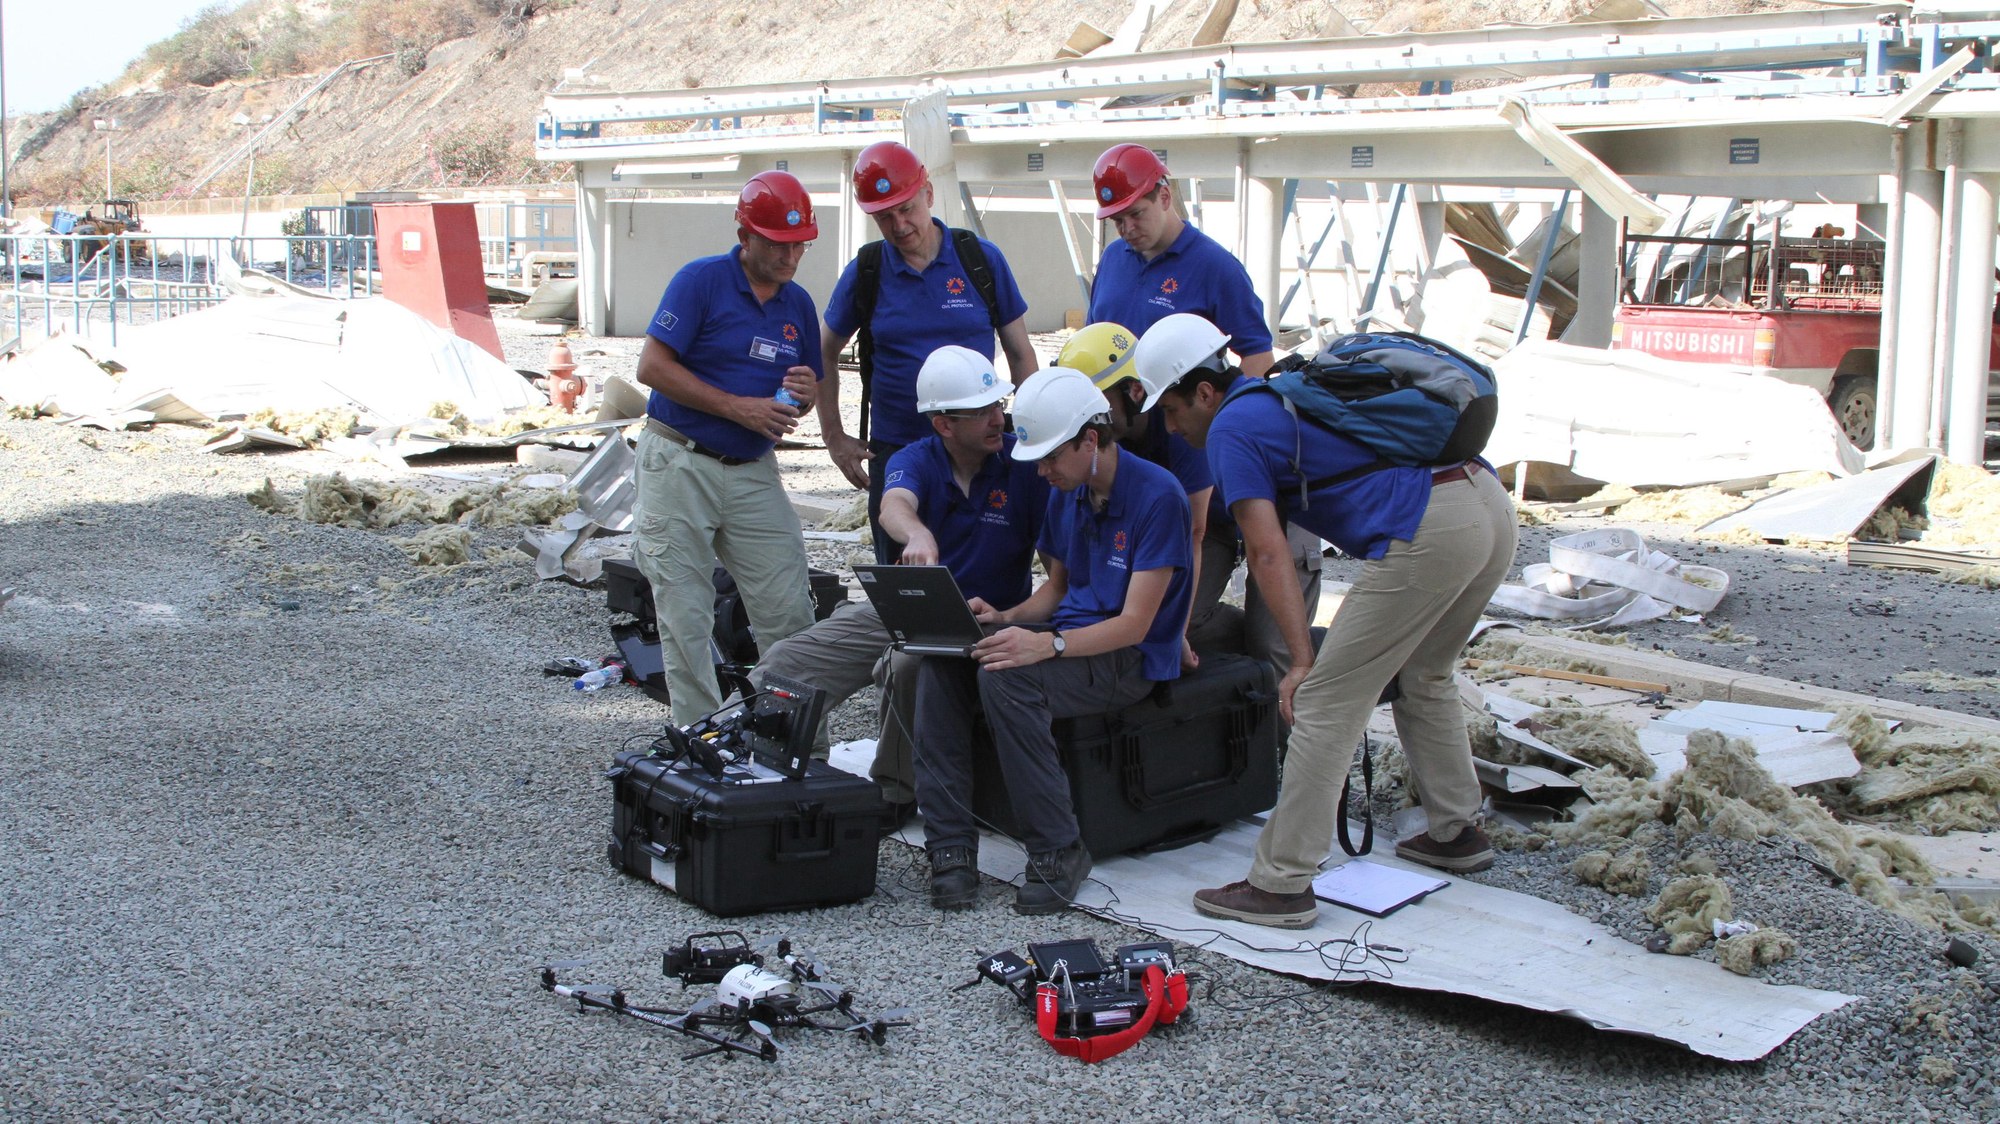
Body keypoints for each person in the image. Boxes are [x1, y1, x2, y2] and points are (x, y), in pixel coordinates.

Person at [1137, 314, 1517, 930]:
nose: (1173, 429)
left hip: (1433, 527)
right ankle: (1455, 830)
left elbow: (1267, 552)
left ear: (1204, 391)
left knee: (1325, 702)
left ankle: (1281, 883)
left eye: (1173, 411)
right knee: (1426, 674)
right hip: (1488, 505)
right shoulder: (1279, 393)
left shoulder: (1234, 425)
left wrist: (1301, 661)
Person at [914, 367, 1193, 915]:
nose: (1040, 472)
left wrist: (1048, 647)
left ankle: (1058, 849)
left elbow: (1135, 625)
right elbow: (1059, 590)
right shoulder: (1070, 489)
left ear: (1091, 439)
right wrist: (1005, 617)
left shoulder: (1158, 496)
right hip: (1074, 639)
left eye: (1048, 459)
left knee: (1010, 682)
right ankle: (950, 845)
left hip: (1128, 657)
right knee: (946, 661)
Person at [751, 345, 1050, 813]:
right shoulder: (916, 458)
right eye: (981, 410)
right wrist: (916, 535)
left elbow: (1061, 574)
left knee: (904, 665)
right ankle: (751, 769)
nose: (997, 419)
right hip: (912, 608)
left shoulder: (1026, 467)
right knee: (786, 661)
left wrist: (1024, 621)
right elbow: (895, 504)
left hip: (986, 620)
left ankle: (894, 794)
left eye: (998, 405)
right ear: (943, 424)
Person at [631, 170, 824, 727]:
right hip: (679, 460)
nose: (790, 257)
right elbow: (652, 367)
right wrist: (737, 407)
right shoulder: (701, 282)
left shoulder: (798, 306)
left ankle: (795, 743)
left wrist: (805, 397)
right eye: (778, 245)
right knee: (684, 611)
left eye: (799, 245)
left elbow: (802, 388)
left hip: (751, 468)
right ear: (745, 236)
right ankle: (700, 736)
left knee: (788, 607)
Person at [817, 141, 1039, 563]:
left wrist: (1028, 437)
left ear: (929, 194)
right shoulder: (868, 271)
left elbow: (1021, 354)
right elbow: (822, 351)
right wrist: (834, 437)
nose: (900, 225)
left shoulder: (979, 261)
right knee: (908, 586)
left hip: (979, 454)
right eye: (885, 217)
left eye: (906, 208)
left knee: (991, 572)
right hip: (899, 451)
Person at [1086, 143, 1275, 378]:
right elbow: (1092, 340)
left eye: (1136, 214)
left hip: (1180, 414)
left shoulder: (1215, 267)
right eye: (1117, 220)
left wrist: (1225, 412)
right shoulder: (1112, 258)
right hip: (1115, 414)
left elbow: (1259, 357)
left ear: (1165, 197)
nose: (1127, 229)